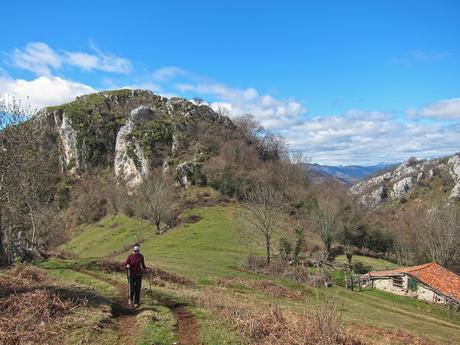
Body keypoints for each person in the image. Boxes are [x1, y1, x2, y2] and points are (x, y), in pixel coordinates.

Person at [124, 243, 147, 307]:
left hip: (138, 274)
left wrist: (146, 269)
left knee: (138, 289)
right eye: (135, 251)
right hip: (131, 275)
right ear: (133, 250)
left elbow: (143, 265)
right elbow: (125, 264)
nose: (136, 252)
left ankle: (136, 302)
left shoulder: (141, 256)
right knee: (132, 289)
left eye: (138, 251)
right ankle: (130, 298)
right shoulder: (130, 256)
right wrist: (127, 266)